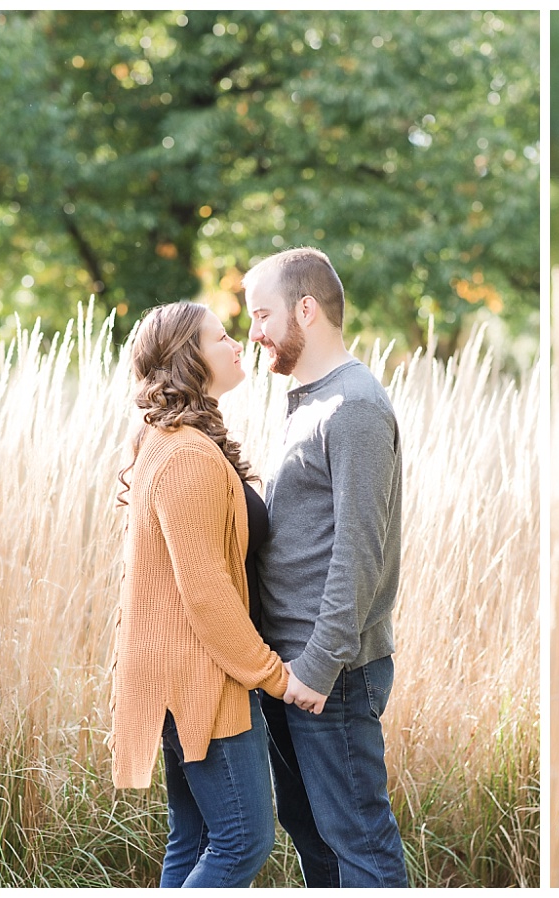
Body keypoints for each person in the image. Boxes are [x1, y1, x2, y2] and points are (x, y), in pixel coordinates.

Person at [243, 247, 407, 888]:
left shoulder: (354, 405)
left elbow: (360, 549)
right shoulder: (310, 400)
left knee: (360, 844)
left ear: (305, 309)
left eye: (263, 315)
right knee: (314, 837)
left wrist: (317, 664)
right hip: (288, 666)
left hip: (329, 673)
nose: (254, 332)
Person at [110, 301, 290, 887]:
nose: (239, 343)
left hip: (180, 676)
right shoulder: (186, 453)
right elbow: (206, 592)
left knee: (191, 843)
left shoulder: (169, 439)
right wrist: (271, 674)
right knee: (242, 841)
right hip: (200, 682)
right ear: (189, 358)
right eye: (221, 337)